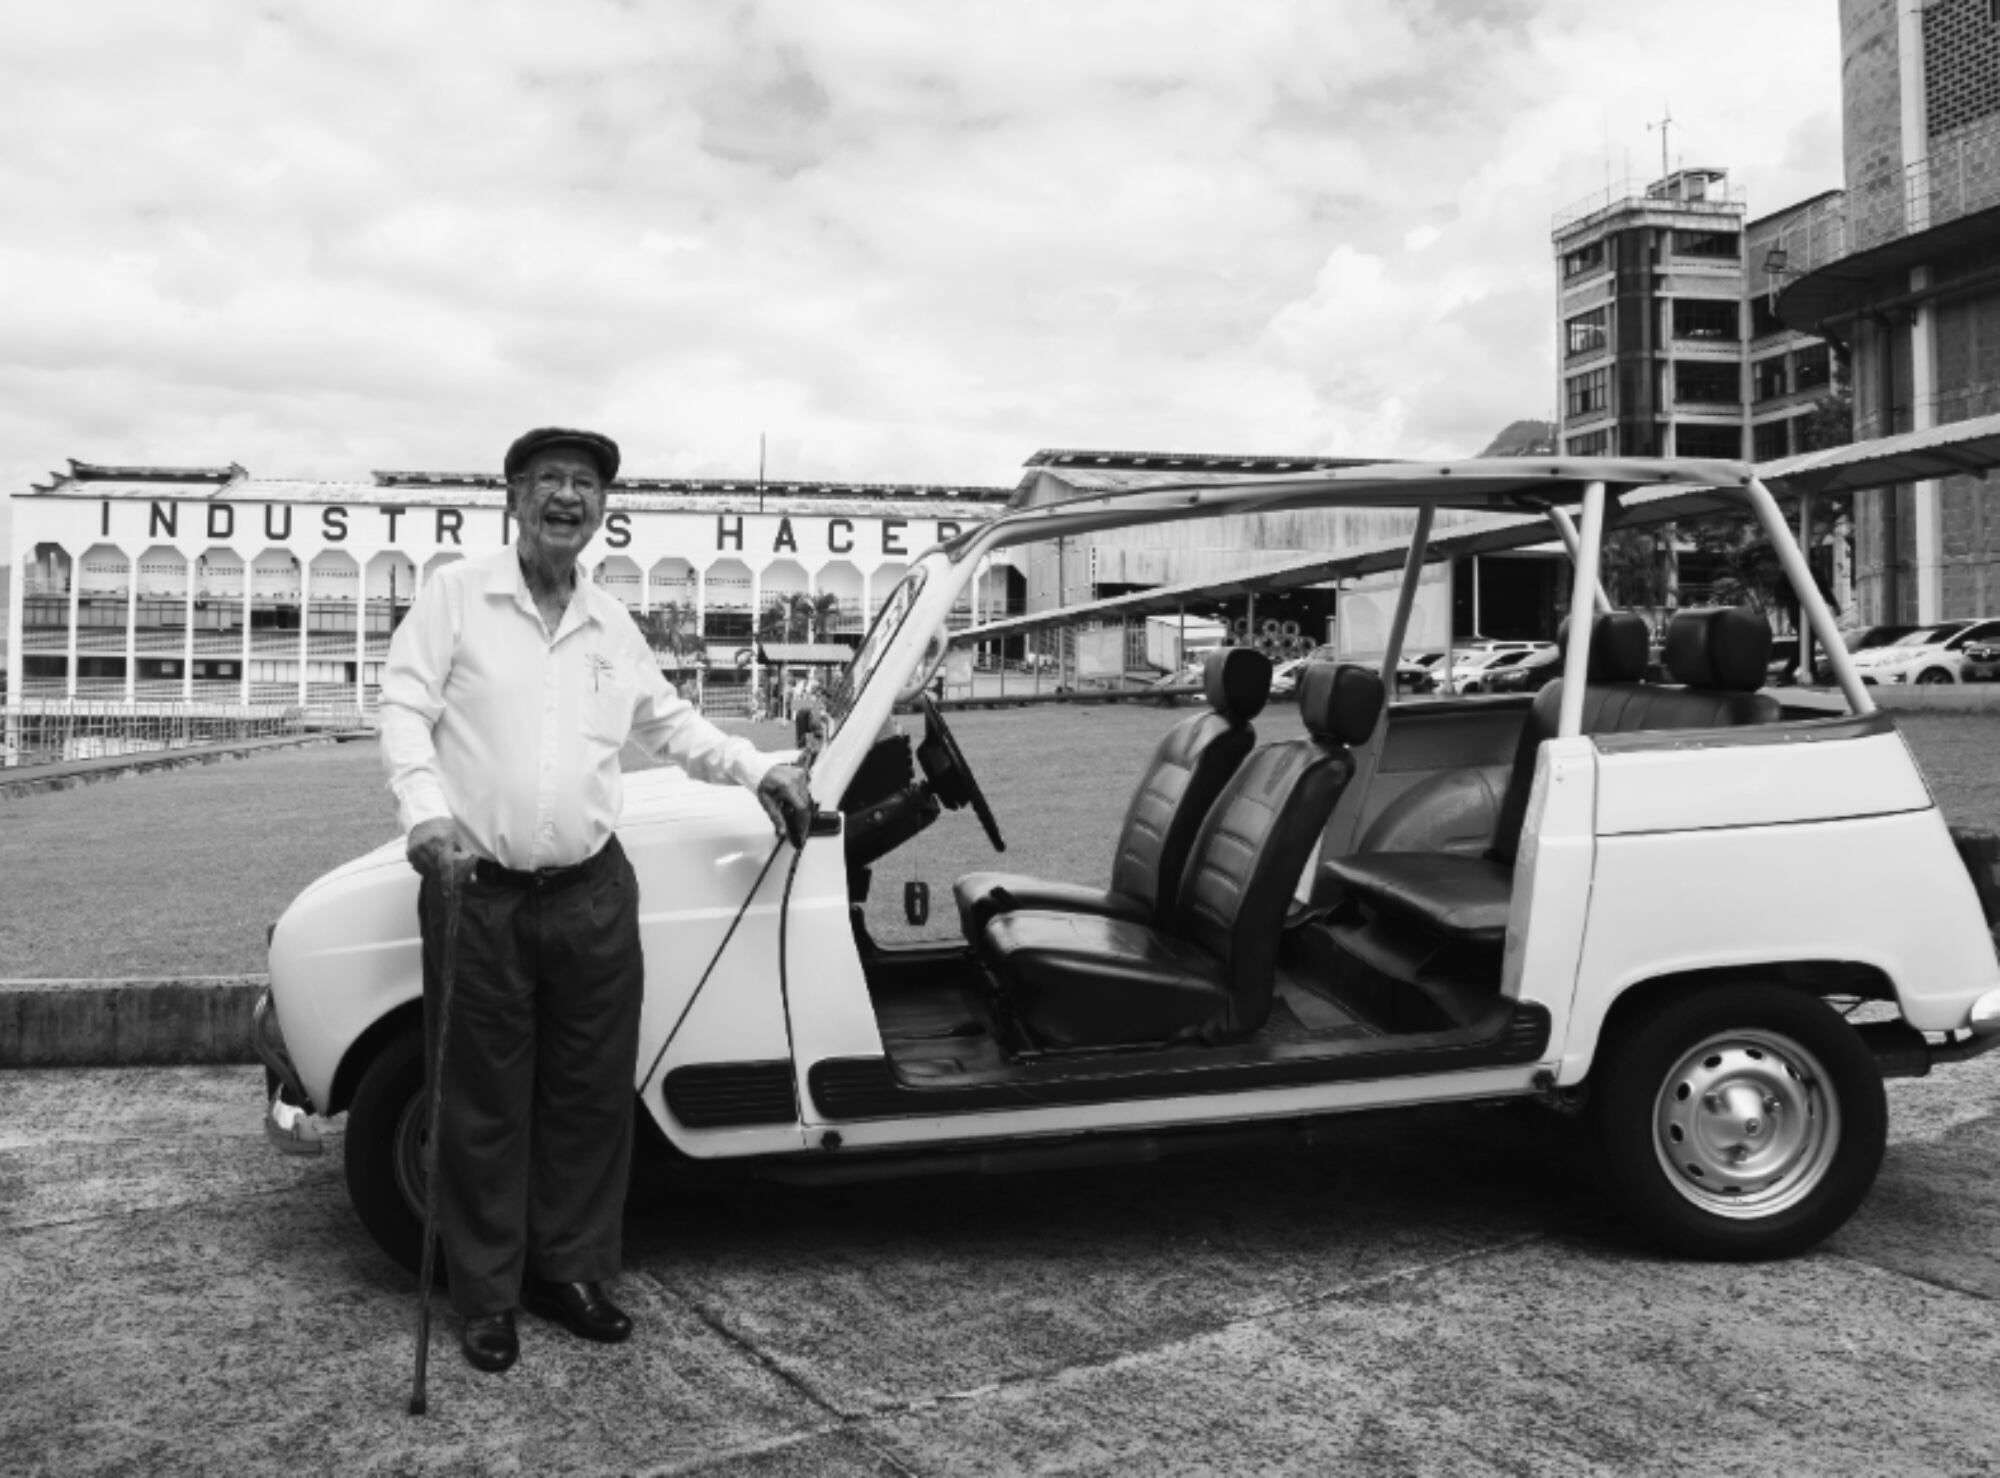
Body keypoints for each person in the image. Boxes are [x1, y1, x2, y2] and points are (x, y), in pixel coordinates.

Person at [379, 426, 812, 1375]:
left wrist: (757, 770)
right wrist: (424, 815)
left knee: (588, 1098)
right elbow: (404, 706)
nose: (567, 497)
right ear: (515, 497)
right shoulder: (458, 595)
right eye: (549, 481)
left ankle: (567, 1272)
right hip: (480, 893)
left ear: (602, 509)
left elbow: (668, 722)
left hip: (592, 894)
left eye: (585, 484)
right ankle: (487, 1295)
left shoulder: (613, 624)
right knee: (483, 1104)